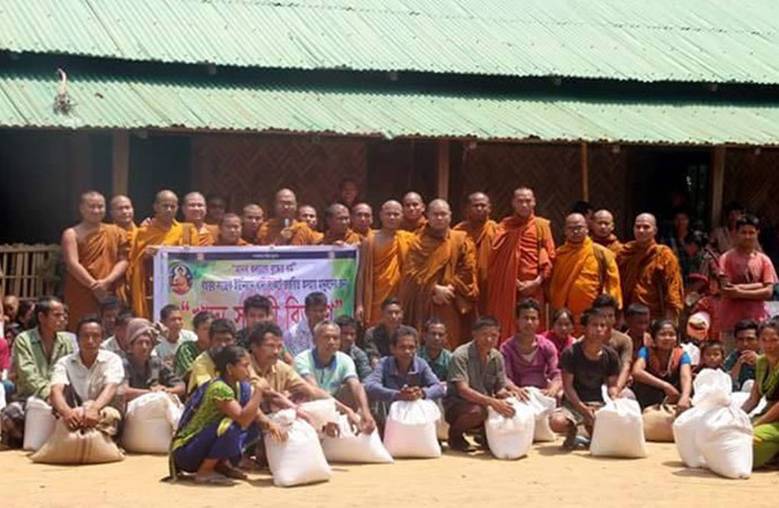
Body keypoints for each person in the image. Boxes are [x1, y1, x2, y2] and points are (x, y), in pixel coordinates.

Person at [171, 345, 282, 485]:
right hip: (188, 451)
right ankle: (204, 471)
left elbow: (256, 414)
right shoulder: (218, 388)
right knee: (231, 427)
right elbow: (243, 419)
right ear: (230, 368)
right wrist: (259, 390)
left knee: (255, 426)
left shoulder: (241, 387)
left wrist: (270, 424)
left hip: (204, 444)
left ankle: (222, 465)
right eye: (244, 366)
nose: (249, 371)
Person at [399, 199, 478, 348]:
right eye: (435, 214)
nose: (439, 218)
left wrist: (448, 289)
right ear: (427, 215)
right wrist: (434, 288)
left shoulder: (460, 239)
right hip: (424, 301)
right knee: (424, 340)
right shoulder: (418, 242)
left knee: (450, 342)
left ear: (450, 216)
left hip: (450, 300)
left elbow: (468, 268)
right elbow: (410, 273)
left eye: (443, 214)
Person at [0, 297, 73, 447]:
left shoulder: (66, 342)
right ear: (41, 317)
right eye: (57, 315)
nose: (62, 319)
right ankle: (21, 439)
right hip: (29, 398)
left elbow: (69, 371)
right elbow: (29, 376)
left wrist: (58, 398)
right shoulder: (24, 340)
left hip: (61, 398)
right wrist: (50, 395)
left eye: (63, 315)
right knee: (8, 415)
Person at [487, 187, 555, 337]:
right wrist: (514, 281)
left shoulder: (541, 226)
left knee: (534, 325)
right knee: (509, 324)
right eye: (520, 201)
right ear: (513, 203)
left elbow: (549, 257)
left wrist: (536, 282)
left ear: (534, 203)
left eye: (528, 201)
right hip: (510, 288)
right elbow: (497, 259)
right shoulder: (504, 227)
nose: (524, 205)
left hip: (535, 288)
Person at [550, 309, 621, 449]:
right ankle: (572, 430)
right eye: (594, 325)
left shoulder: (611, 355)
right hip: (573, 404)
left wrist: (614, 398)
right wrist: (583, 409)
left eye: (602, 325)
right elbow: (568, 387)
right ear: (584, 328)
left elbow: (612, 385)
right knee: (556, 422)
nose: (599, 329)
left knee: (603, 438)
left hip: (599, 403)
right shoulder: (570, 353)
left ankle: (589, 433)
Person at [444, 317, 515, 452]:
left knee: (510, 406)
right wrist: (493, 402)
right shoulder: (461, 355)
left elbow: (499, 388)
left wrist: (509, 396)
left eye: (493, 335)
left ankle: (484, 435)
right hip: (458, 404)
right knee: (478, 412)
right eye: (484, 335)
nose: (489, 339)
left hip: (485, 403)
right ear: (474, 334)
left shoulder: (497, 357)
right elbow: (463, 390)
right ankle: (455, 436)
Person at [61, 191, 129, 330]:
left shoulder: (116, 232)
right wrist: (94, 286)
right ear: (81, 208)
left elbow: (124, 260)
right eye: (92, 206)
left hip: (109, 289)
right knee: (82, 328)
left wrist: (107, 281)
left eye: (100, 206)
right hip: (82, 289)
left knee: (113, 328)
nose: (97, 210)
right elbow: (72, 263)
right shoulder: (72, 234)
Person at [293, 321, 376, 433]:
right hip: (310, 404)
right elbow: (315, 392)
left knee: (357, 390)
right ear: (315, 340)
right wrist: (347, 411)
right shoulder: (302, 359)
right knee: (306, 395)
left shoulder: (345, 359)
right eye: (326, 337)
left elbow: (356, 385)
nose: (331, 342)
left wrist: (365, 411)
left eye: (335, 338)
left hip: (334, 403)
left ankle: (362, 424)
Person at [49, 317, 124, 435]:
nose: (90, 341)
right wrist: (66, 412)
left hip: (102, 411)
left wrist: (94, 409)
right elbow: (56, 390)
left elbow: (111, 387)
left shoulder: (112, 360)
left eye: (95, 336)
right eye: (85, 336)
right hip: (74, 414)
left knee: (110, 416)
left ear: (101, 339)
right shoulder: (65, 362)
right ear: (77, 339)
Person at [128, 190, 197, 318]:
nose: (169, 210)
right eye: (165, 206)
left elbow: (198, 261)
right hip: (152, 288)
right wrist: (145, 255)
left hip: (179, 289)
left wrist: (187, 251)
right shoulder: (143, 231)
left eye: (173, 206)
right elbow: (133, 264)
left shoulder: (187, 230)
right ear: (156, 207)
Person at [549, 213, 622, 332]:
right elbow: (553, 287)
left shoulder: (601, 253)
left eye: (579, 227)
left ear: (587, 229)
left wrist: (608, 313)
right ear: (565, 231)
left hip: (594, 318)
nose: (575, 232)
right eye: (571, 228)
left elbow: (612, 286)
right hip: (566, 319)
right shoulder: (559, 255)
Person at [355, 200, 413, 326]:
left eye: (396, 214)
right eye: (388, 214)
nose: (392, 217)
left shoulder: (408, 239)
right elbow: (361, 273)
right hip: (375, 297)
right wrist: (359, 304)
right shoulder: (369, 241)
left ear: (402, 216)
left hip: (399, 295)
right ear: (381, 215)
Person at [617, 213, 684, 322]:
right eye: (638, 227)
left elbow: (673, 290)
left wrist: (669, 322)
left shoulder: (663, 255)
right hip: (628, 316)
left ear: (655, 230)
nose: (641, 230)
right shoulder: (625, 253)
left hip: (654, 317)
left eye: (646, 227)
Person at [718, 215, 777, 337]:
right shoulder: (726, 258)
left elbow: (768, 292)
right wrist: (760, 285)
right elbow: (727, 290)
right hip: (731, 324)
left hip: (757, 324)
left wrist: (739, 290)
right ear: (735, 233)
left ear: (757, 233)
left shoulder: (764, 260)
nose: (747, 236)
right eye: (743, 232)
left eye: (751, 232)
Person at [247, 322, 330, 402]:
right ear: (254, 347)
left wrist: (340, 407)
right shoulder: (245, 367)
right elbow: (271, 397)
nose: (276, 352)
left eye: (279, 347)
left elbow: (310, 390)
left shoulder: (281, 367)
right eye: (270, 346)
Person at [364, 325, 445, 406]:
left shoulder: (420, 364)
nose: (407, 351)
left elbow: (438, 387)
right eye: (402, 347)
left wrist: (421, 393)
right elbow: (370, 385)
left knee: (436, 399)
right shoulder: (384, 363)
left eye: (411, 347)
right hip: (390, 410)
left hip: (415, 410)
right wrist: (398, 395)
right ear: (393, 349)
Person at [501, 299, 562, 398]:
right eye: (525, 318)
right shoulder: (507, 348)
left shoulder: (547, 346)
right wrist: (516, 390)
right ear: (517, 320)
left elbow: (557, 373)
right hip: (518, 394)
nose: (529, 322)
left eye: (533, 318)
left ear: (538, 322)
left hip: (542, 394)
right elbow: (504, 377)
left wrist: (553, 389)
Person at [741, 321, 779, 469]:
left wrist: (757, 424)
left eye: (775, 340)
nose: (769, 345)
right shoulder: (762, 363)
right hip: (768, 416)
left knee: (749, 440)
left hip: (774, 418)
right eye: (764, 340)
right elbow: (753, 400)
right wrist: (736, 417)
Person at [631, 320, 692, 411]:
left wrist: (684, 397)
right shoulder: (646, 351)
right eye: (662, 334)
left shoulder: (682, 355)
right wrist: (665, 386)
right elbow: (637, 372)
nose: (667, 338)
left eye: (671, 335)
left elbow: (686, 377)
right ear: (654, 338)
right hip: (650, 396)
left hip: (674, 396)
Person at [453, 192, 498, 314]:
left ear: (489, 208)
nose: (479, 209)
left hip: (489, 285)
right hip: (465, 287)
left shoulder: (497, 230)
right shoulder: (458, 231)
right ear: (467, 209)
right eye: (475, 205)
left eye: (483, 205)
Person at [122, 318, 185, 400]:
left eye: (147, 343)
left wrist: (166, 390)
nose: (144, 347)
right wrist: (152, 393)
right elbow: (125, 392)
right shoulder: (123, 364)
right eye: (140, 343)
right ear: (131, 346)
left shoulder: (156, 362)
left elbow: (181, 387)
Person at [590, 294, 633, 395]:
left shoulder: (624, 340)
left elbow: (626, 367)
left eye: (610, 316)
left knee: (629, 397)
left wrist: (616, 389)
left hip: (616, 386)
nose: (607, 320)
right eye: (603, 316)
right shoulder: (583, 342)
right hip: (590, 388)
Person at [187, 319, 242, 394]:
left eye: (227, 340)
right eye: (218, 340)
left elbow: (252, 380)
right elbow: (211, 391)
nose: (223, 345)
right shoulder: (201, 362)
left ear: (234, 341)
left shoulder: (238, 359)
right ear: (210, 340)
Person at [283, 292, 329, 357]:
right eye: (314, 311)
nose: (318, 315)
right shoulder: (292, 334)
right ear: (306, 312)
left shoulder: (332, 332)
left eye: (321, 311)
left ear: (326, 311)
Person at [363, 297, 404, 364]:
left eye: (397, 313)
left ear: (402, 314)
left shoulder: (410, 333)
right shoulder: (372, 333)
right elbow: (373, 358)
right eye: (390, 313)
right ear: (382, 314)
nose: (393, 316)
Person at [175, 311, 214, 378]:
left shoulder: (218, 348)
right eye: (205, 329)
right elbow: (191, 373)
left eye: (211, 328)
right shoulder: (187, 348)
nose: (209, 332)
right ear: (196, 331)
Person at [725, 320, 761, 391]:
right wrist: (738, 364)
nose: (745, 344)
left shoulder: (768, 355)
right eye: (741, 339)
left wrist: (760, 362)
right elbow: (726, 383)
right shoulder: (733, 357)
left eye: (750, 339)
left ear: (759, 340)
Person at [335, 315, 372, 381]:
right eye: (345, 333)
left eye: (352, 334)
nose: (349, 338)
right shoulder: (326, 351)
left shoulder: (359, 355)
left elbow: (367, 379)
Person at [418, 318, 453, 383]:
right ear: (424, 336)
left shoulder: (451, 359)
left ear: (446, 338)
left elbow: (454, 383)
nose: (437, 338)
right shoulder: (415, 356)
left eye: (441, 335)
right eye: (433, 334)